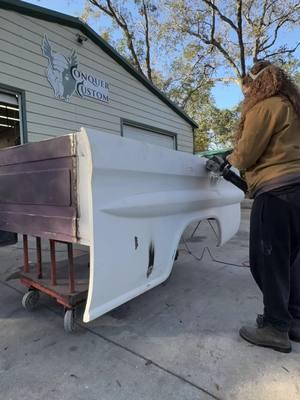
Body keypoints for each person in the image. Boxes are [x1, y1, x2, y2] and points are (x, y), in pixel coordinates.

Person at [227, 60, 300, 353]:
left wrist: (226, 161)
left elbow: (245, 155)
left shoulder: (265, 106)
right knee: (293, 261)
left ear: (255, 83)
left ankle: (274, 327)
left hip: (276, 193)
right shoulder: (293, 107)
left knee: (268, 261)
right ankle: (294, 320)